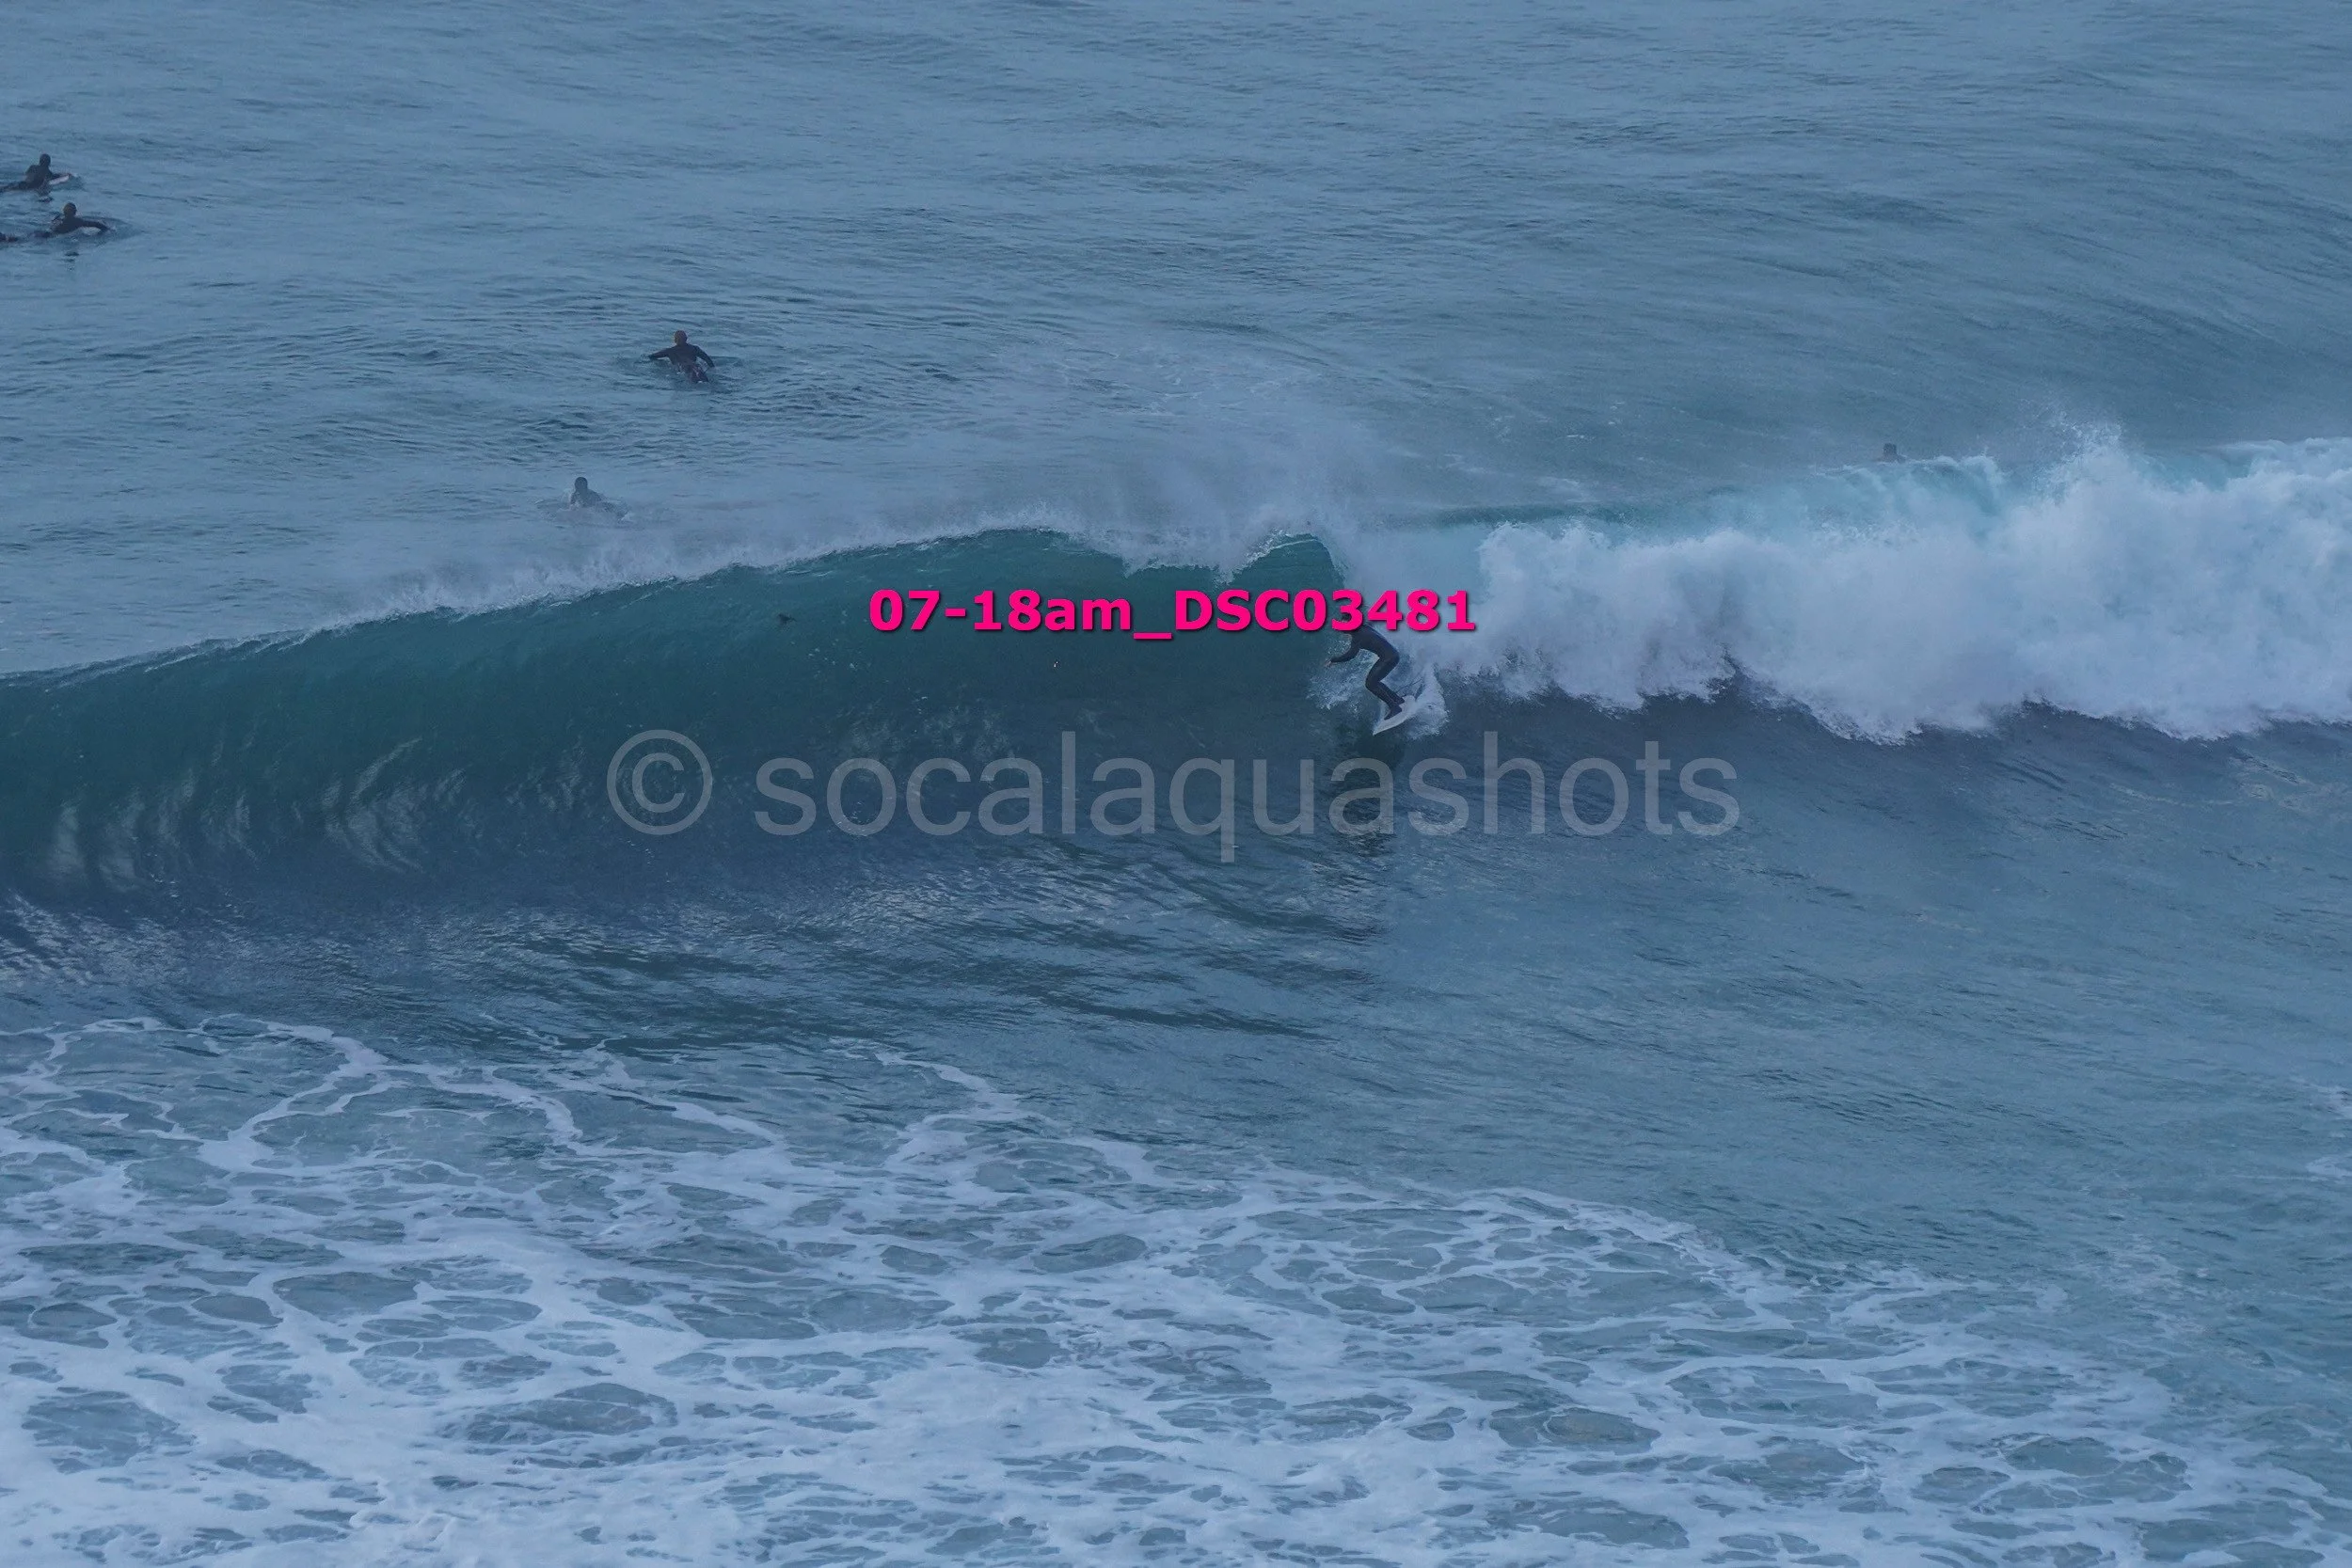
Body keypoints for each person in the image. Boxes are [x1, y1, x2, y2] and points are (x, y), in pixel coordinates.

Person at [1330, 624, 1406, 718]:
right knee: (1374, 681)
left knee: (1370, 684)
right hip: (1393, 655)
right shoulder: (1364, 627)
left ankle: (1395, 708)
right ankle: (1397, 700)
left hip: (1388, 659)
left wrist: (1333, 660)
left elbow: (1350, 655)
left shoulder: (1357, 639)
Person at [648, 330, 713, 380]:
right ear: (686, 339)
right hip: (696, 367)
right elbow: (708, 360)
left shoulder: (669, 351)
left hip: (683, 368)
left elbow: (652, 357)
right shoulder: (695, 348)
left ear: (675, 340)